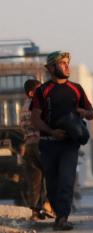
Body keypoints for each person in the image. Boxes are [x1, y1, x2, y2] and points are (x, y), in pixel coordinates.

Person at [30, 51, 93, 231]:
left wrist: (84, 113)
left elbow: (92, 114)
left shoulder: (76, 89)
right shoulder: (42, 91)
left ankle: (62, 217)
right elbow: (35, 119)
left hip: (69, 145)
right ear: (51, 68)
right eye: (62, 63)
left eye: (67, 63)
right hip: (49, 143)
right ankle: (58, 215)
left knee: (66, 180)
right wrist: (51, 131)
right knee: (52, 183)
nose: (67, 66)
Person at [20, 79, 50, 221]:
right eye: (39, 89)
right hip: (40, 143)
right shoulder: (36, 105)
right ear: (32, 93)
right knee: (52, 174)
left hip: (29, 145)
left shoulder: (24, 105)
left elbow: (22, 126)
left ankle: (35, 211)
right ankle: (49, 206)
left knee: (35, 179)